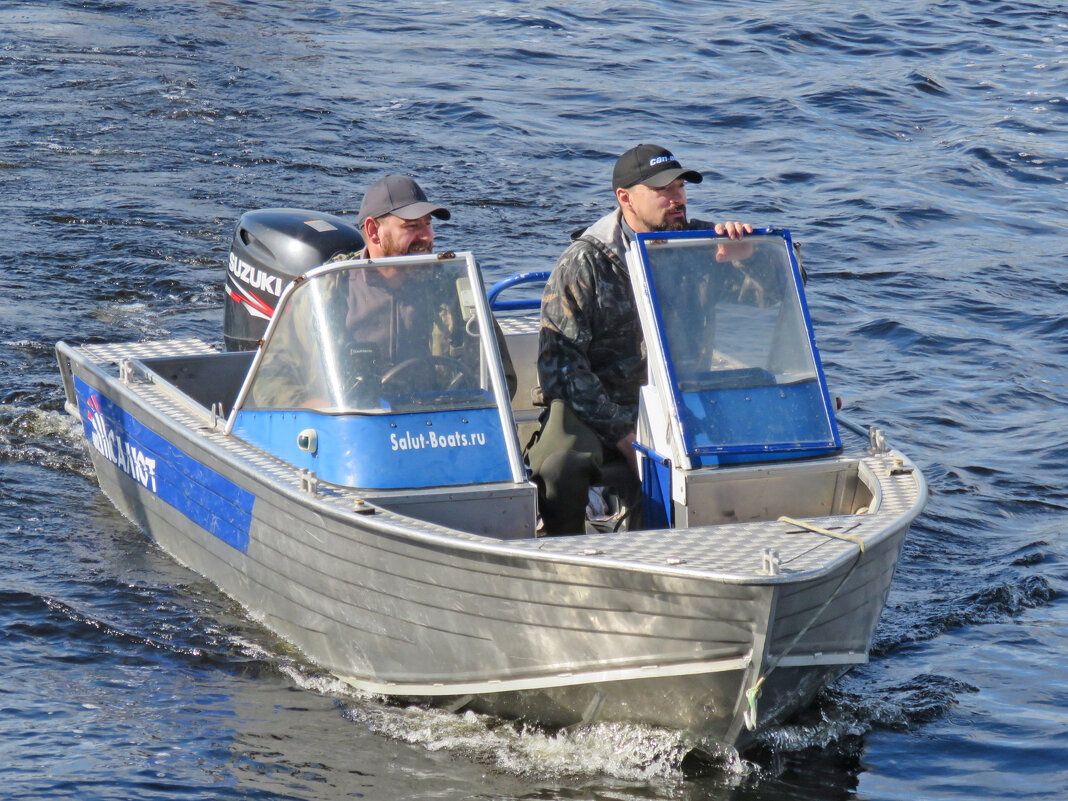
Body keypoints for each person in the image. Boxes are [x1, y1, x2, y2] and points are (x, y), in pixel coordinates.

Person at [528, 144, 752, 535]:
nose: (677, 198)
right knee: (559, 465)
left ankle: (737, 541)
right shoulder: (586, 262)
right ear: (625, 198)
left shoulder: (702, 245)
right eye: (663, 189)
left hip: (681, 398)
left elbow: (777, 294)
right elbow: (560, 367)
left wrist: (751, 256)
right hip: (599, 405)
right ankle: (564, 554)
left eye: (681, 187)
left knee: (758, 441)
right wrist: (625, 435)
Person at [249, 175, 514, 408]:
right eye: (411, 227)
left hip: (437, 432)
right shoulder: (329, 289)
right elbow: (271, 377)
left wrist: (464, 404)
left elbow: (503, 378)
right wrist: (314, 407)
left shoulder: (454, 288)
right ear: (374, 231)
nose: (426, 237)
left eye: (428, 224)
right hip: (352, 438)